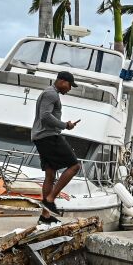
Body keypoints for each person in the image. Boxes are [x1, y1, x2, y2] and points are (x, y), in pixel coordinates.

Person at [31, 71, 81, 220]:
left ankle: (45, 216)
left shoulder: (49, 93)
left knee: (50, 174)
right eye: (70, 85)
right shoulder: (51, 94)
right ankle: (50, 199)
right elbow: (45, 116)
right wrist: (65, 125)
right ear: (62, 81)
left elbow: (46, 115)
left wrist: (65, 124)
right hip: (48, 136)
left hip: (41, 137)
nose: (70, 89)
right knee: (74, 166)